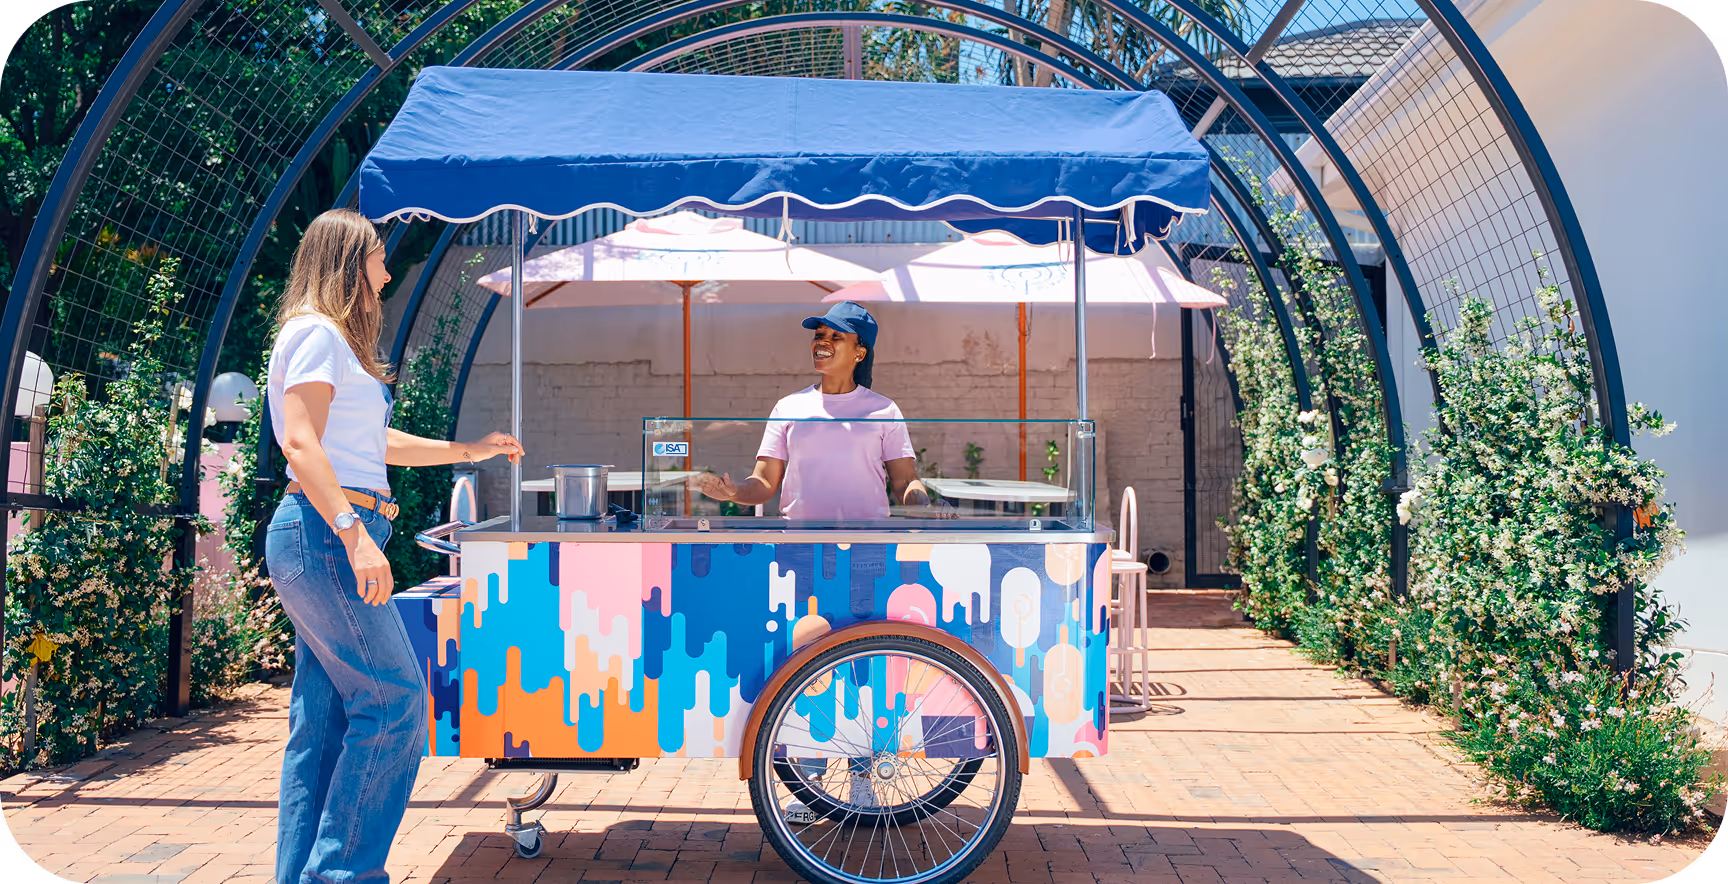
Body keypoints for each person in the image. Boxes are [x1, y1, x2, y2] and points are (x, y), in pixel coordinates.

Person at [265, 208, 523, 884]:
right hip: (326, 534)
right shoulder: (318, 334)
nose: (386, 270)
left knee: (321, 727)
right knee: (396, 699)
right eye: (377, 257)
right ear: (352, 264)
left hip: (324, 531)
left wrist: (471, 450)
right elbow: (300, 442)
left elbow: (370, 446)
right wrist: (354, 535)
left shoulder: (329, 344)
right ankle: (344, 875)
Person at [688, 300, 937, 519]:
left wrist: (925, 508)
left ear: (859, 353)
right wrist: (734, 492)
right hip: (800, 541)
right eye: (819, 335)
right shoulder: (788, 407)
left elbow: (904, 480)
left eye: (836, 336)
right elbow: (764, 481)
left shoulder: (884, 409)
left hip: (867, 540)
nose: (823, 342)